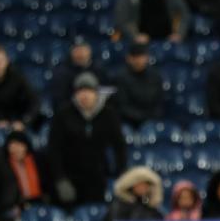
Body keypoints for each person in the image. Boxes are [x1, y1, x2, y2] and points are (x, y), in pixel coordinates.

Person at [47, 72, 126, 207]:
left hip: (97, 177)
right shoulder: (63, 114)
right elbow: (53, 149)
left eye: (88, 91)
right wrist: (60, 179)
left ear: (96, 93)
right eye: (80, 91)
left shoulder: (109, 114)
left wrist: (120, 174)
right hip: (70, 177)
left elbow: (119, 146)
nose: (84, 95)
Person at [113, 43, 163, 127]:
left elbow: (159, 102)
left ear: (146, 58)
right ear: (128, 58)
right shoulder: (121, 77)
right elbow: (122, 106)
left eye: (141, 56)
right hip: (128, 122)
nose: (138, 60)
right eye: (135, 57)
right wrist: (142, 117)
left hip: (152, 121)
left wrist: (151, 117)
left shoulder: (155, 76)